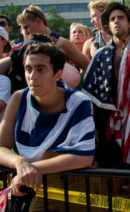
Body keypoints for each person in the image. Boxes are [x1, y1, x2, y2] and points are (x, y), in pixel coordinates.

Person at [0, 42, 95, 210]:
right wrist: (20, 162)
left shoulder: (78, 101)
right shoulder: (18, 99)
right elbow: (1, 147)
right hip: (31, 182)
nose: (32, 76)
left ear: (58, 74)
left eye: (41, 69)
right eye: (28, 69)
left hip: (71, 182)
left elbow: (84, 156)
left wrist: (31, 169)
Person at [83, 2, 130, 199]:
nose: (116, 22)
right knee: (106, 173)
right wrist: (92, 127)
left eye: (120, 18)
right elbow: (90, 95)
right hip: (104, 122)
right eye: (112, 19)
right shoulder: (99, 56)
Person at [0, 5, 88, 91]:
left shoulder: (61, 43)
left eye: (26, 27)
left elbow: (86, 66)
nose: (25, 31)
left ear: (38, 21)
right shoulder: (23, 47)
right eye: (23, 28)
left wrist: (77, 89)